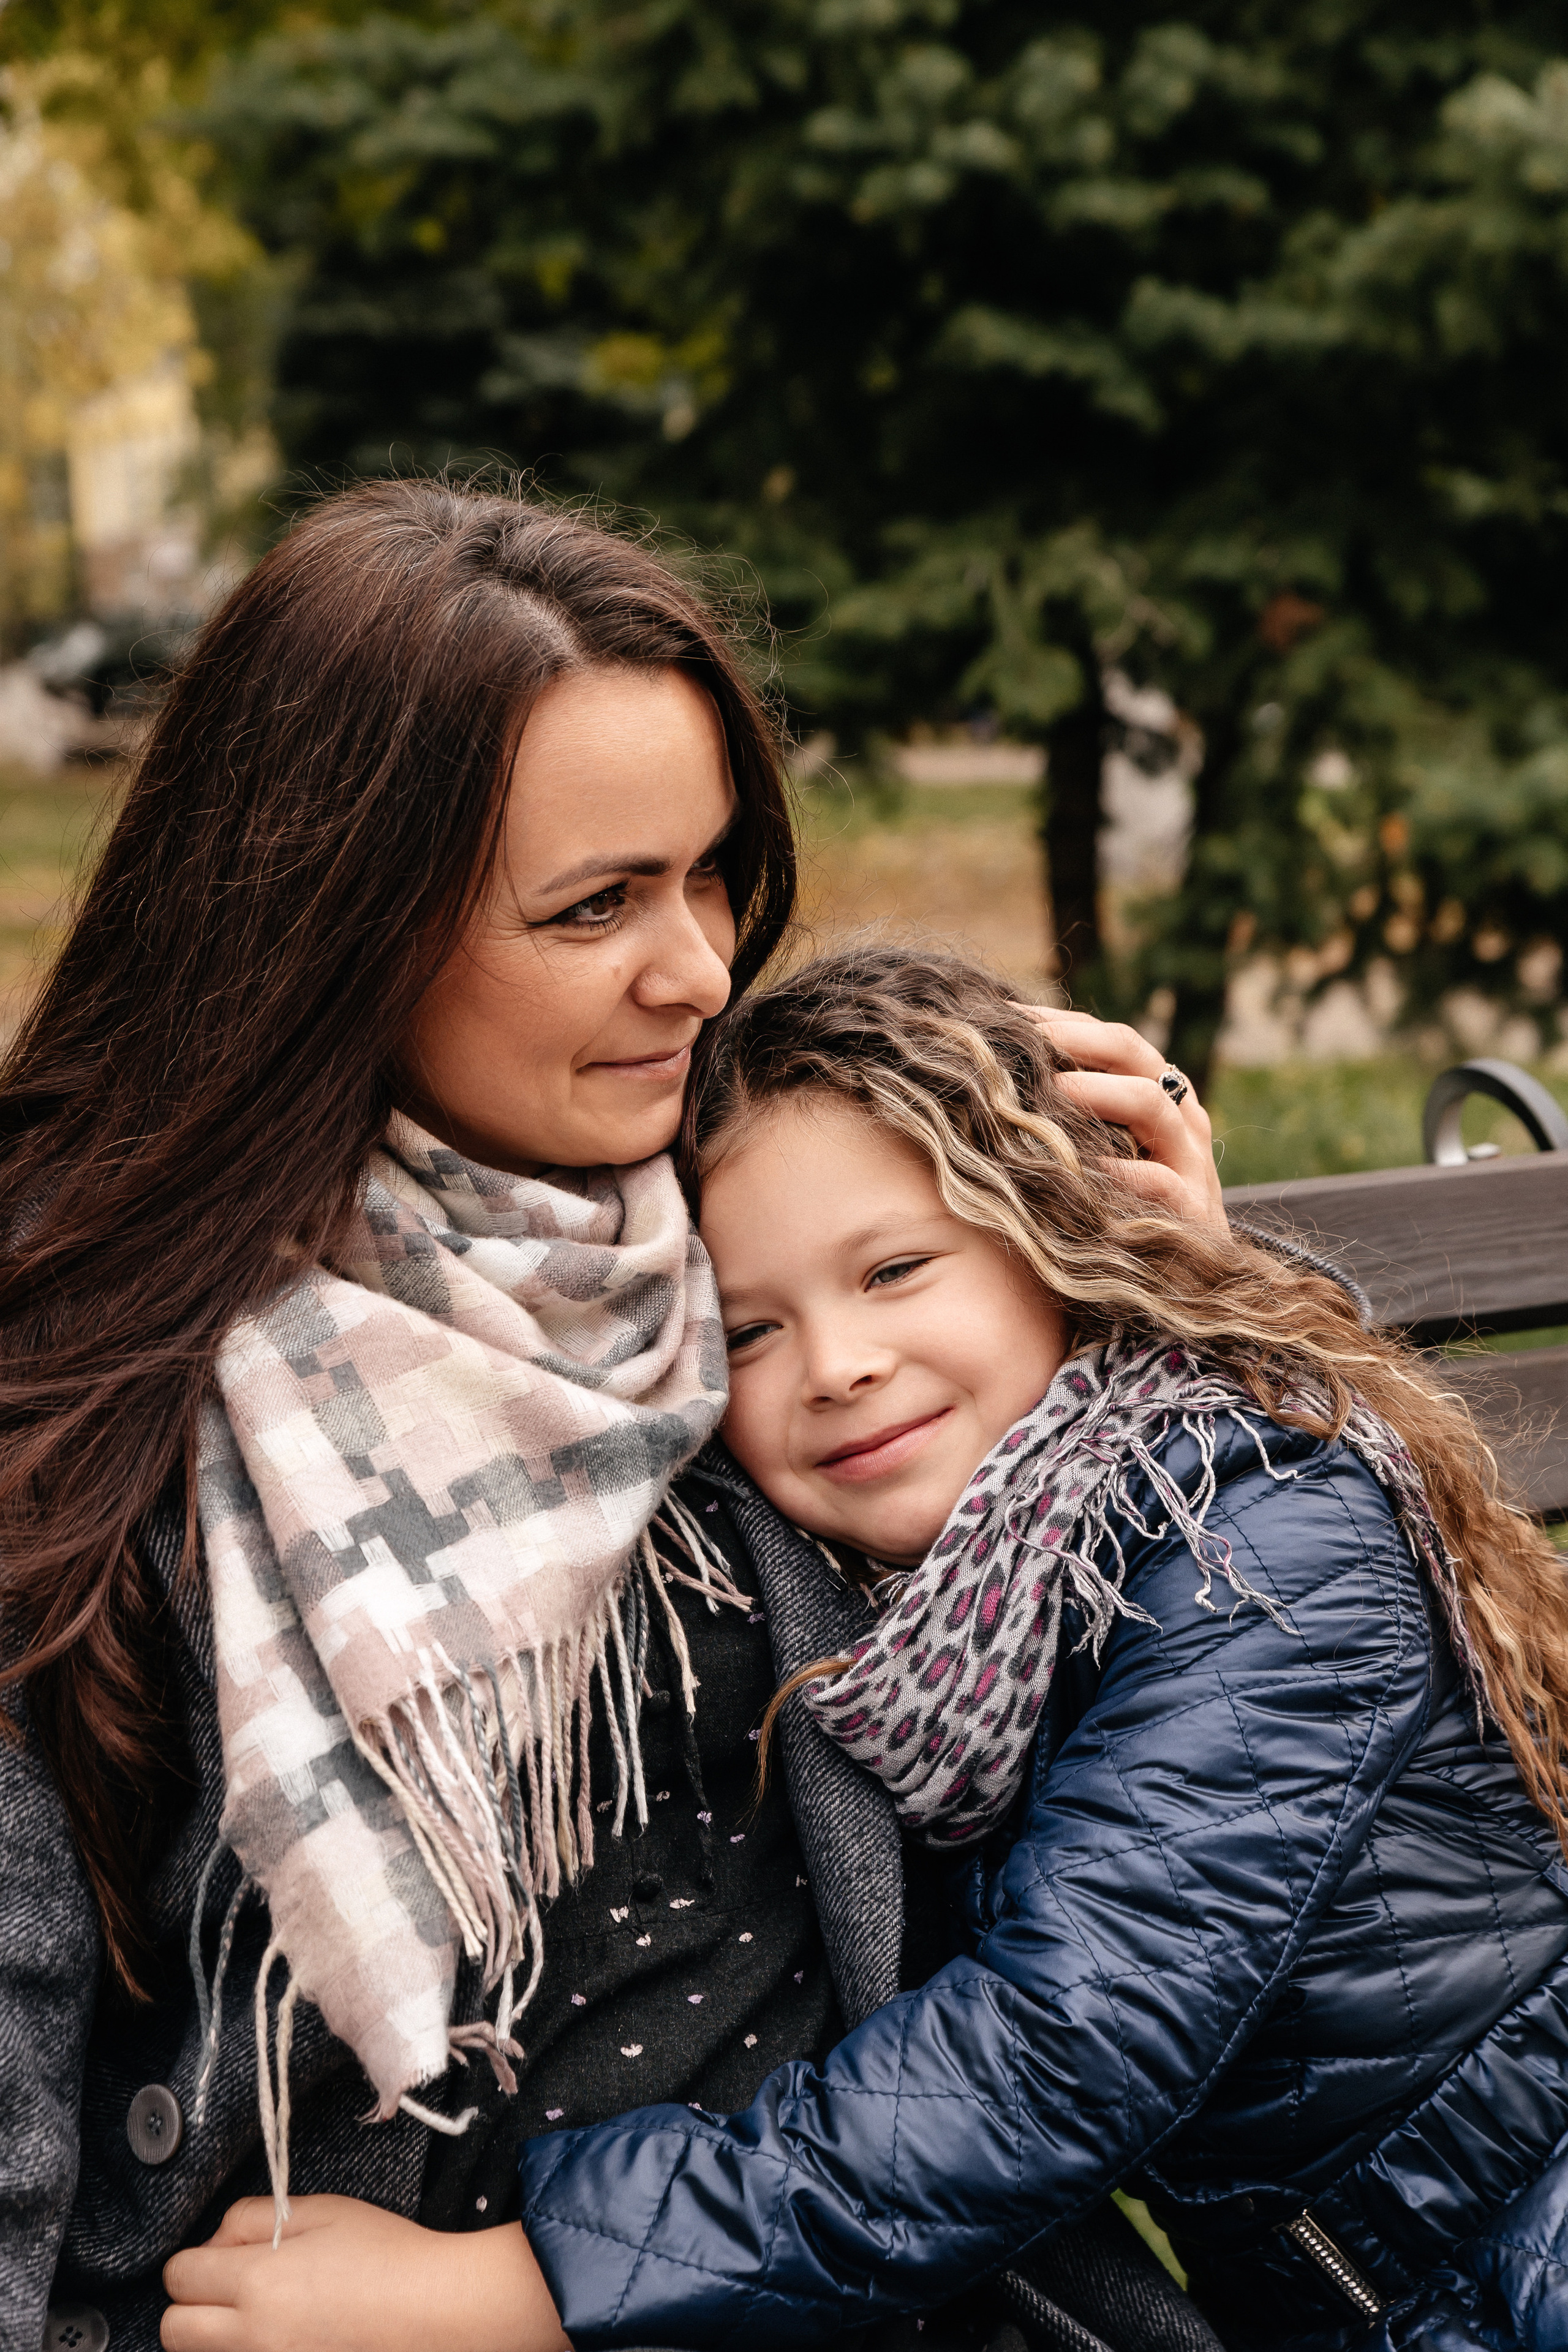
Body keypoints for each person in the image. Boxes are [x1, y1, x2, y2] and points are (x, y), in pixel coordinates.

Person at [0, 480, 1219, 2352]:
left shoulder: (778, 1252)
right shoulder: (92, 1412)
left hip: (846, 2282)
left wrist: (1160, 1351)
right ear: (338, 931)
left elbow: (1144, 1823)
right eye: (597, 907)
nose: (707, 970)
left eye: (712, 871)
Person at [160, 948, 1568, 2352]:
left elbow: (1050, 2059)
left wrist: (521, 2289)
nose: (834, 1364)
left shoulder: (1246, 1539)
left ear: (1061, 1242)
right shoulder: (959, 1613)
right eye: (754, 1330)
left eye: (894, 1270)